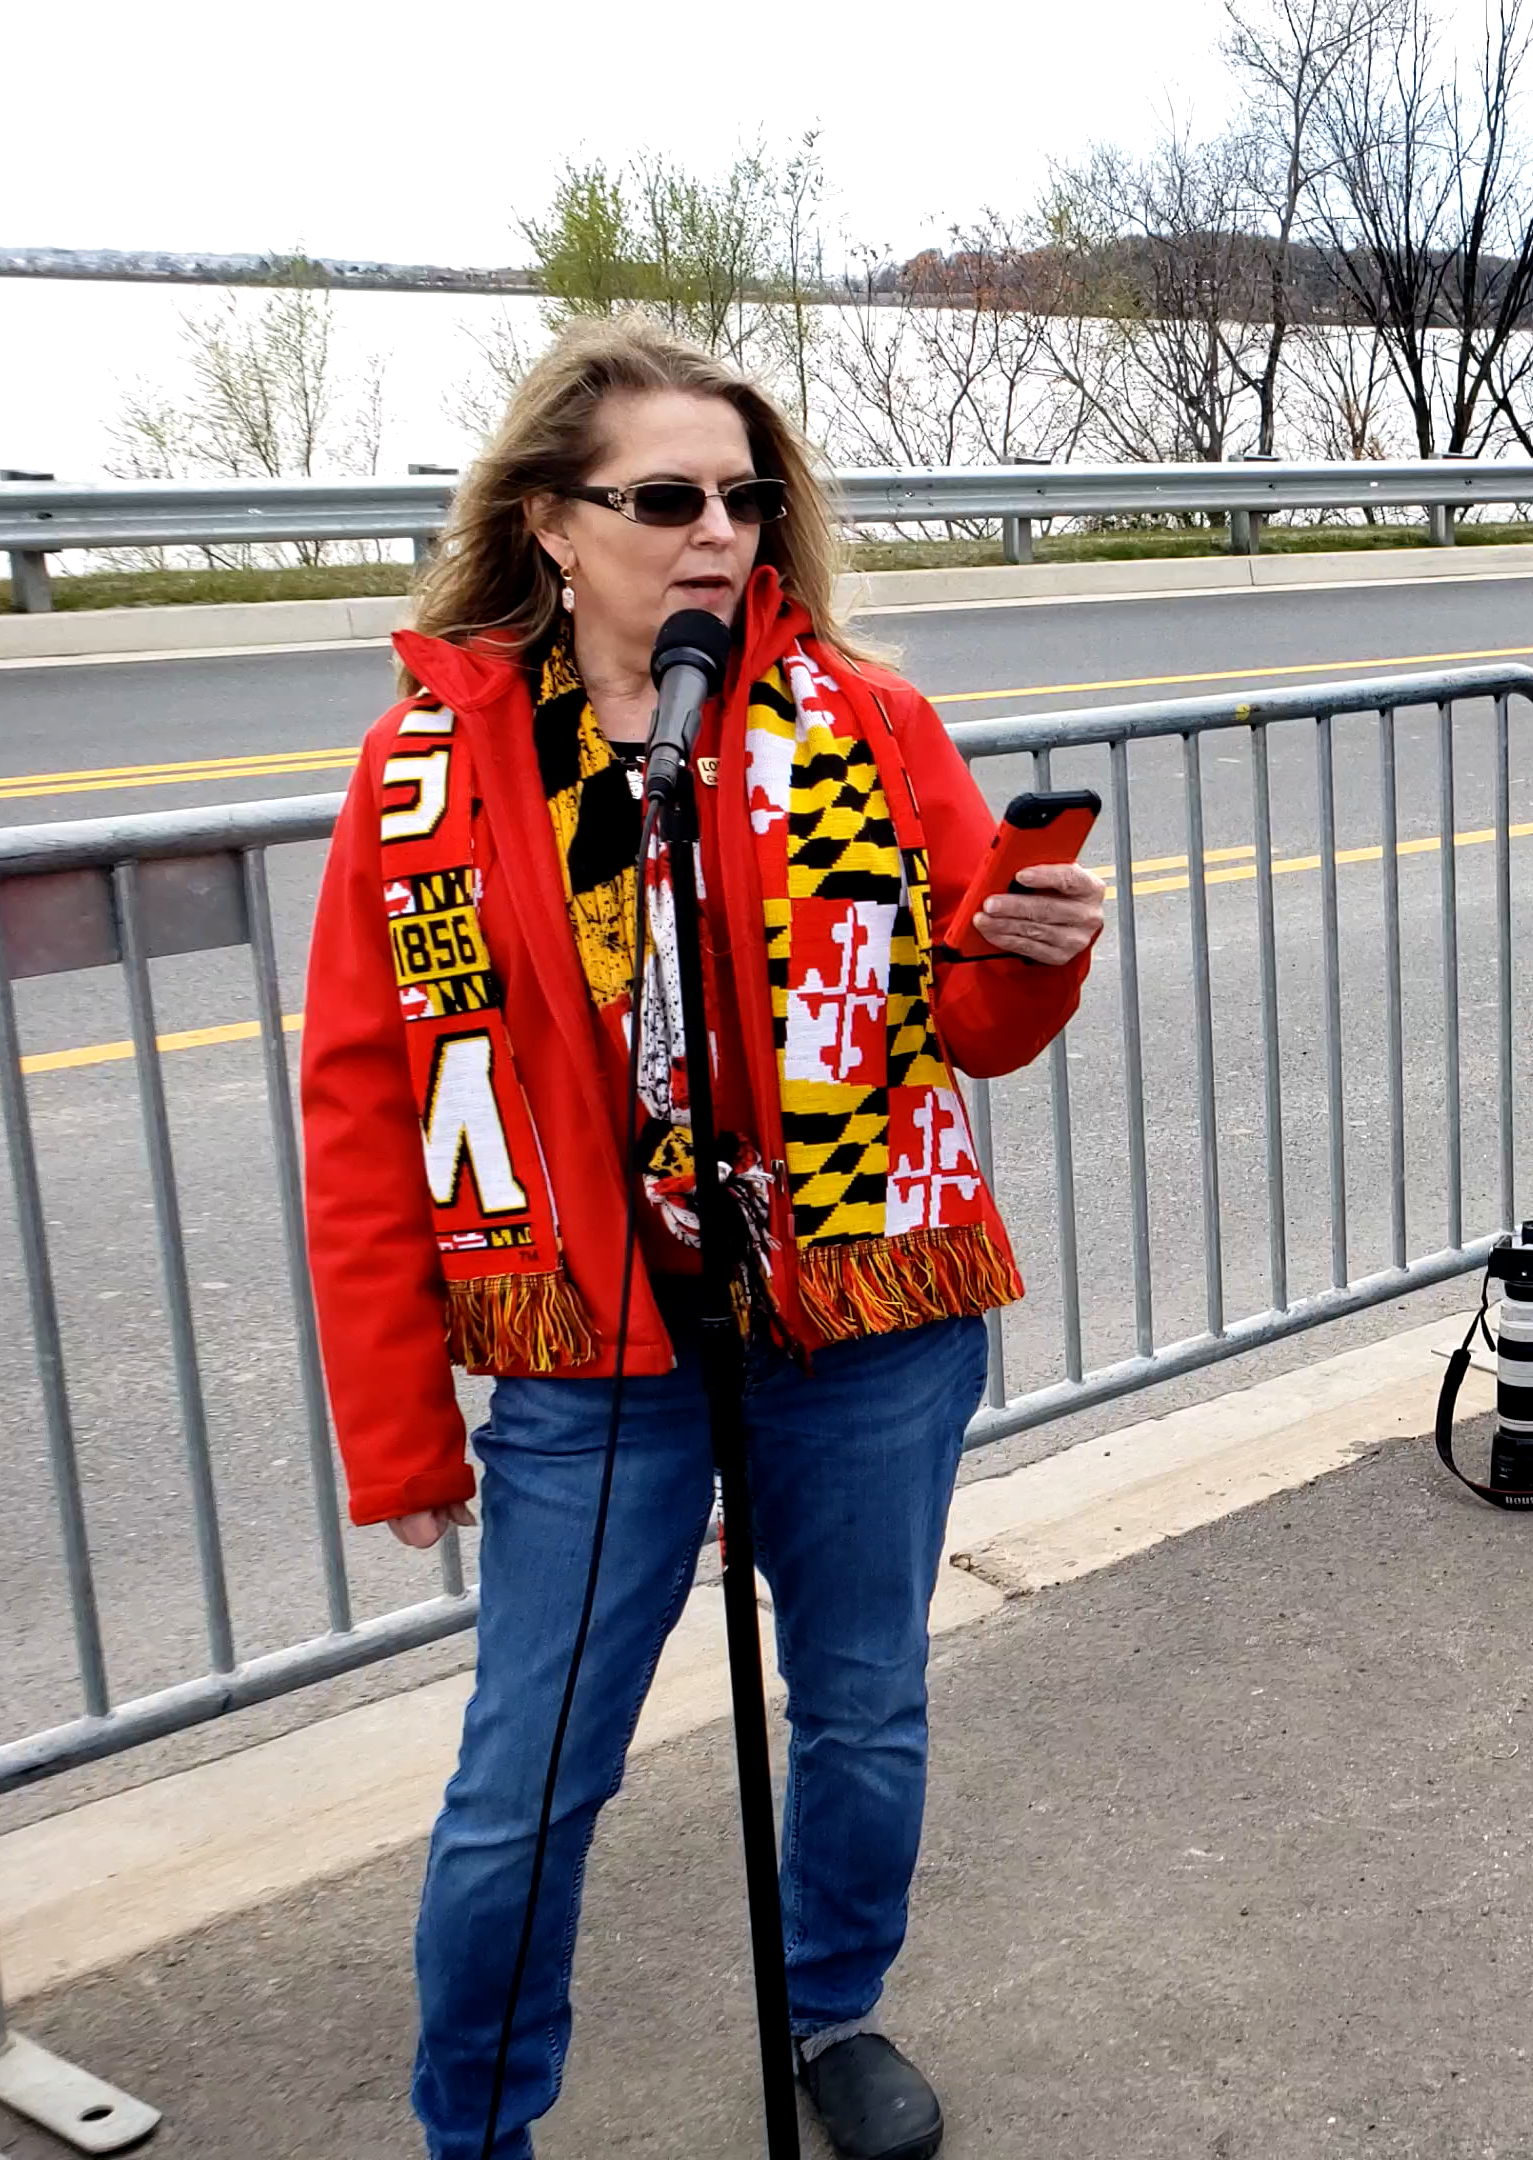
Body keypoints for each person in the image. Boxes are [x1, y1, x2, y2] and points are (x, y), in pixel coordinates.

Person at [300, 318, 1106, 2158]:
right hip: (598, 1359)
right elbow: (362, 1105)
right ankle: (475, 2130)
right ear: (552, 527)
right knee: (524, 1790)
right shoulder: (428, 777)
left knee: (863, 1716)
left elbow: (967, 1023)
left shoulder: (870, 726)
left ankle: (831, 2008)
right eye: (666, 497)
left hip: (862, 1329)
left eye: (745, 497)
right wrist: (399, 1421)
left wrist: (1030, 953)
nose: (719, 532)